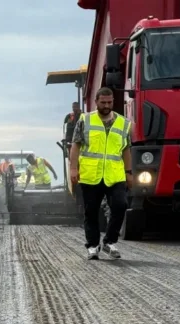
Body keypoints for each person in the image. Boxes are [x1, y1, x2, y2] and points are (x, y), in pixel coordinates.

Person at [69, 87, 132, 259]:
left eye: (109, 102)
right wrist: (73, 169)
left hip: (115, 175)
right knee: (91, 211)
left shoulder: (123, 123)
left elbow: (126, 149)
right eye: (103, 102)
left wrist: (129, 172)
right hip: (91, 175)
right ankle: (93, 245)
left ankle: (110, 242)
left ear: (113, 101)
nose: (106, 105)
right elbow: (75, 145)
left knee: (120, 205)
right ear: (96, 101)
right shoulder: (85, 120)